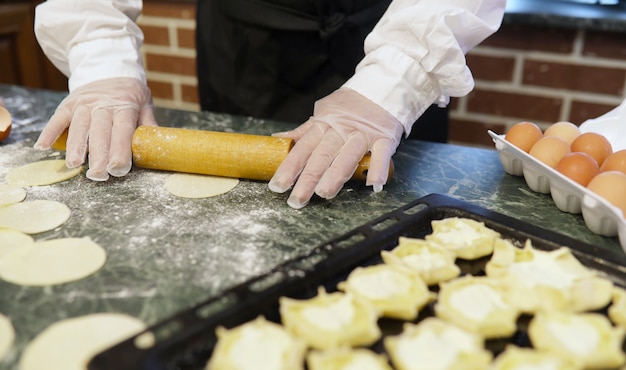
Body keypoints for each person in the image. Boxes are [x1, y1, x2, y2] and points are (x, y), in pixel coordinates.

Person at [33, 0, 506, 209]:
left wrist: (394, 82)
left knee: (388, 200)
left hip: (402, 31)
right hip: (248, 41)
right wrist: (101, 60)